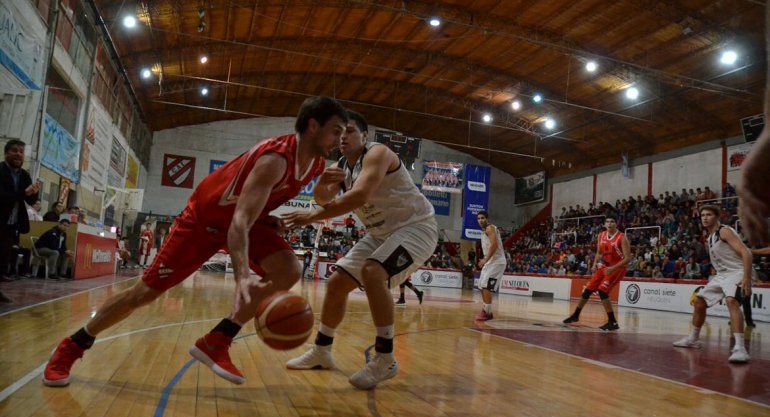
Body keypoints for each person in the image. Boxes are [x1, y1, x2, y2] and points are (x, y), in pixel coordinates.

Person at [42, 96, 348, 387]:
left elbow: (288, 204)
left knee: (289, 270)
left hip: (241, 221)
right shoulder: (275, 159)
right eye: (336, 131)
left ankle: (218, 340)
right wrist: (242, 276)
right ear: (312, 126)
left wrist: (286, 210)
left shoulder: (318, 165)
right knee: (143, 294)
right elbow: (239, 220)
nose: (339, 139)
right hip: (203, 223)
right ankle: (73, 345)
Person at [283, 110, 437, 390]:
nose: (343, 136)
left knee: (372, 271)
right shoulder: (342, 166)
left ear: (365, 135)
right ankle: (322, 350)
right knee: (337, 283)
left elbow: (361, 195)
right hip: (381, 233)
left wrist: (312, 216)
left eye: (351, 130)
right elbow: (322, 198)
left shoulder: (378, 153)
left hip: (417, 227)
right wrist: (322, 183)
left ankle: (386, 358)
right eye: (339, 131)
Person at [673, 205, 752, 363]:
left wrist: (747, 278)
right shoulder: (710, 238)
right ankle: (693, 339)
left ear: (717, 217)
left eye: (709, 214)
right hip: (722, 275)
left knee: (731, 301)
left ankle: (740, 348)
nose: (705, 217)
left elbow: (746, 252)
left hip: (736, 272)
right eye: (702, 215)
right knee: (699, 302)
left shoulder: (724, 231)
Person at [563, 216, 631, 331]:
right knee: (588, 290)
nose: (610, 223)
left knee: (602, 291)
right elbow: (599, 252)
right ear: (604, 224)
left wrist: (613, 268)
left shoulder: (622, 238)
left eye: (612, 221)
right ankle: (575, 315)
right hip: (605, 266)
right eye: (608, 221)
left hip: (618, 268)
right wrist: (594, 264)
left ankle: (613, 322)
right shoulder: (601, 235)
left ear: (616, 224)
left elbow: (628, 258)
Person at [0, 140, 40, 301]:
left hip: (12, 223)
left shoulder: (24, 175)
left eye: (21, 152)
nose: (18, 154)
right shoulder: (0, 170)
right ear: (6, 153)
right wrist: (24, 193)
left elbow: (30, 201)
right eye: (14, 151)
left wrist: (34, 192)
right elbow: (3, 198)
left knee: (3, 257)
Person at [474, 211, 507, 321]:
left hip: (497, 261)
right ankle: (487, 311)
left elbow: (494, 244)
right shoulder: (484, 232)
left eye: (482, 218)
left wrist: (485, 259)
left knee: (486, 286)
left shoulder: (490, 228)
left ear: (487, 219)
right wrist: (485, 260)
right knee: (481, 285)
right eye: (478, 218)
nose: (480, 220)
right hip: (490, 262)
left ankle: (486, 312)